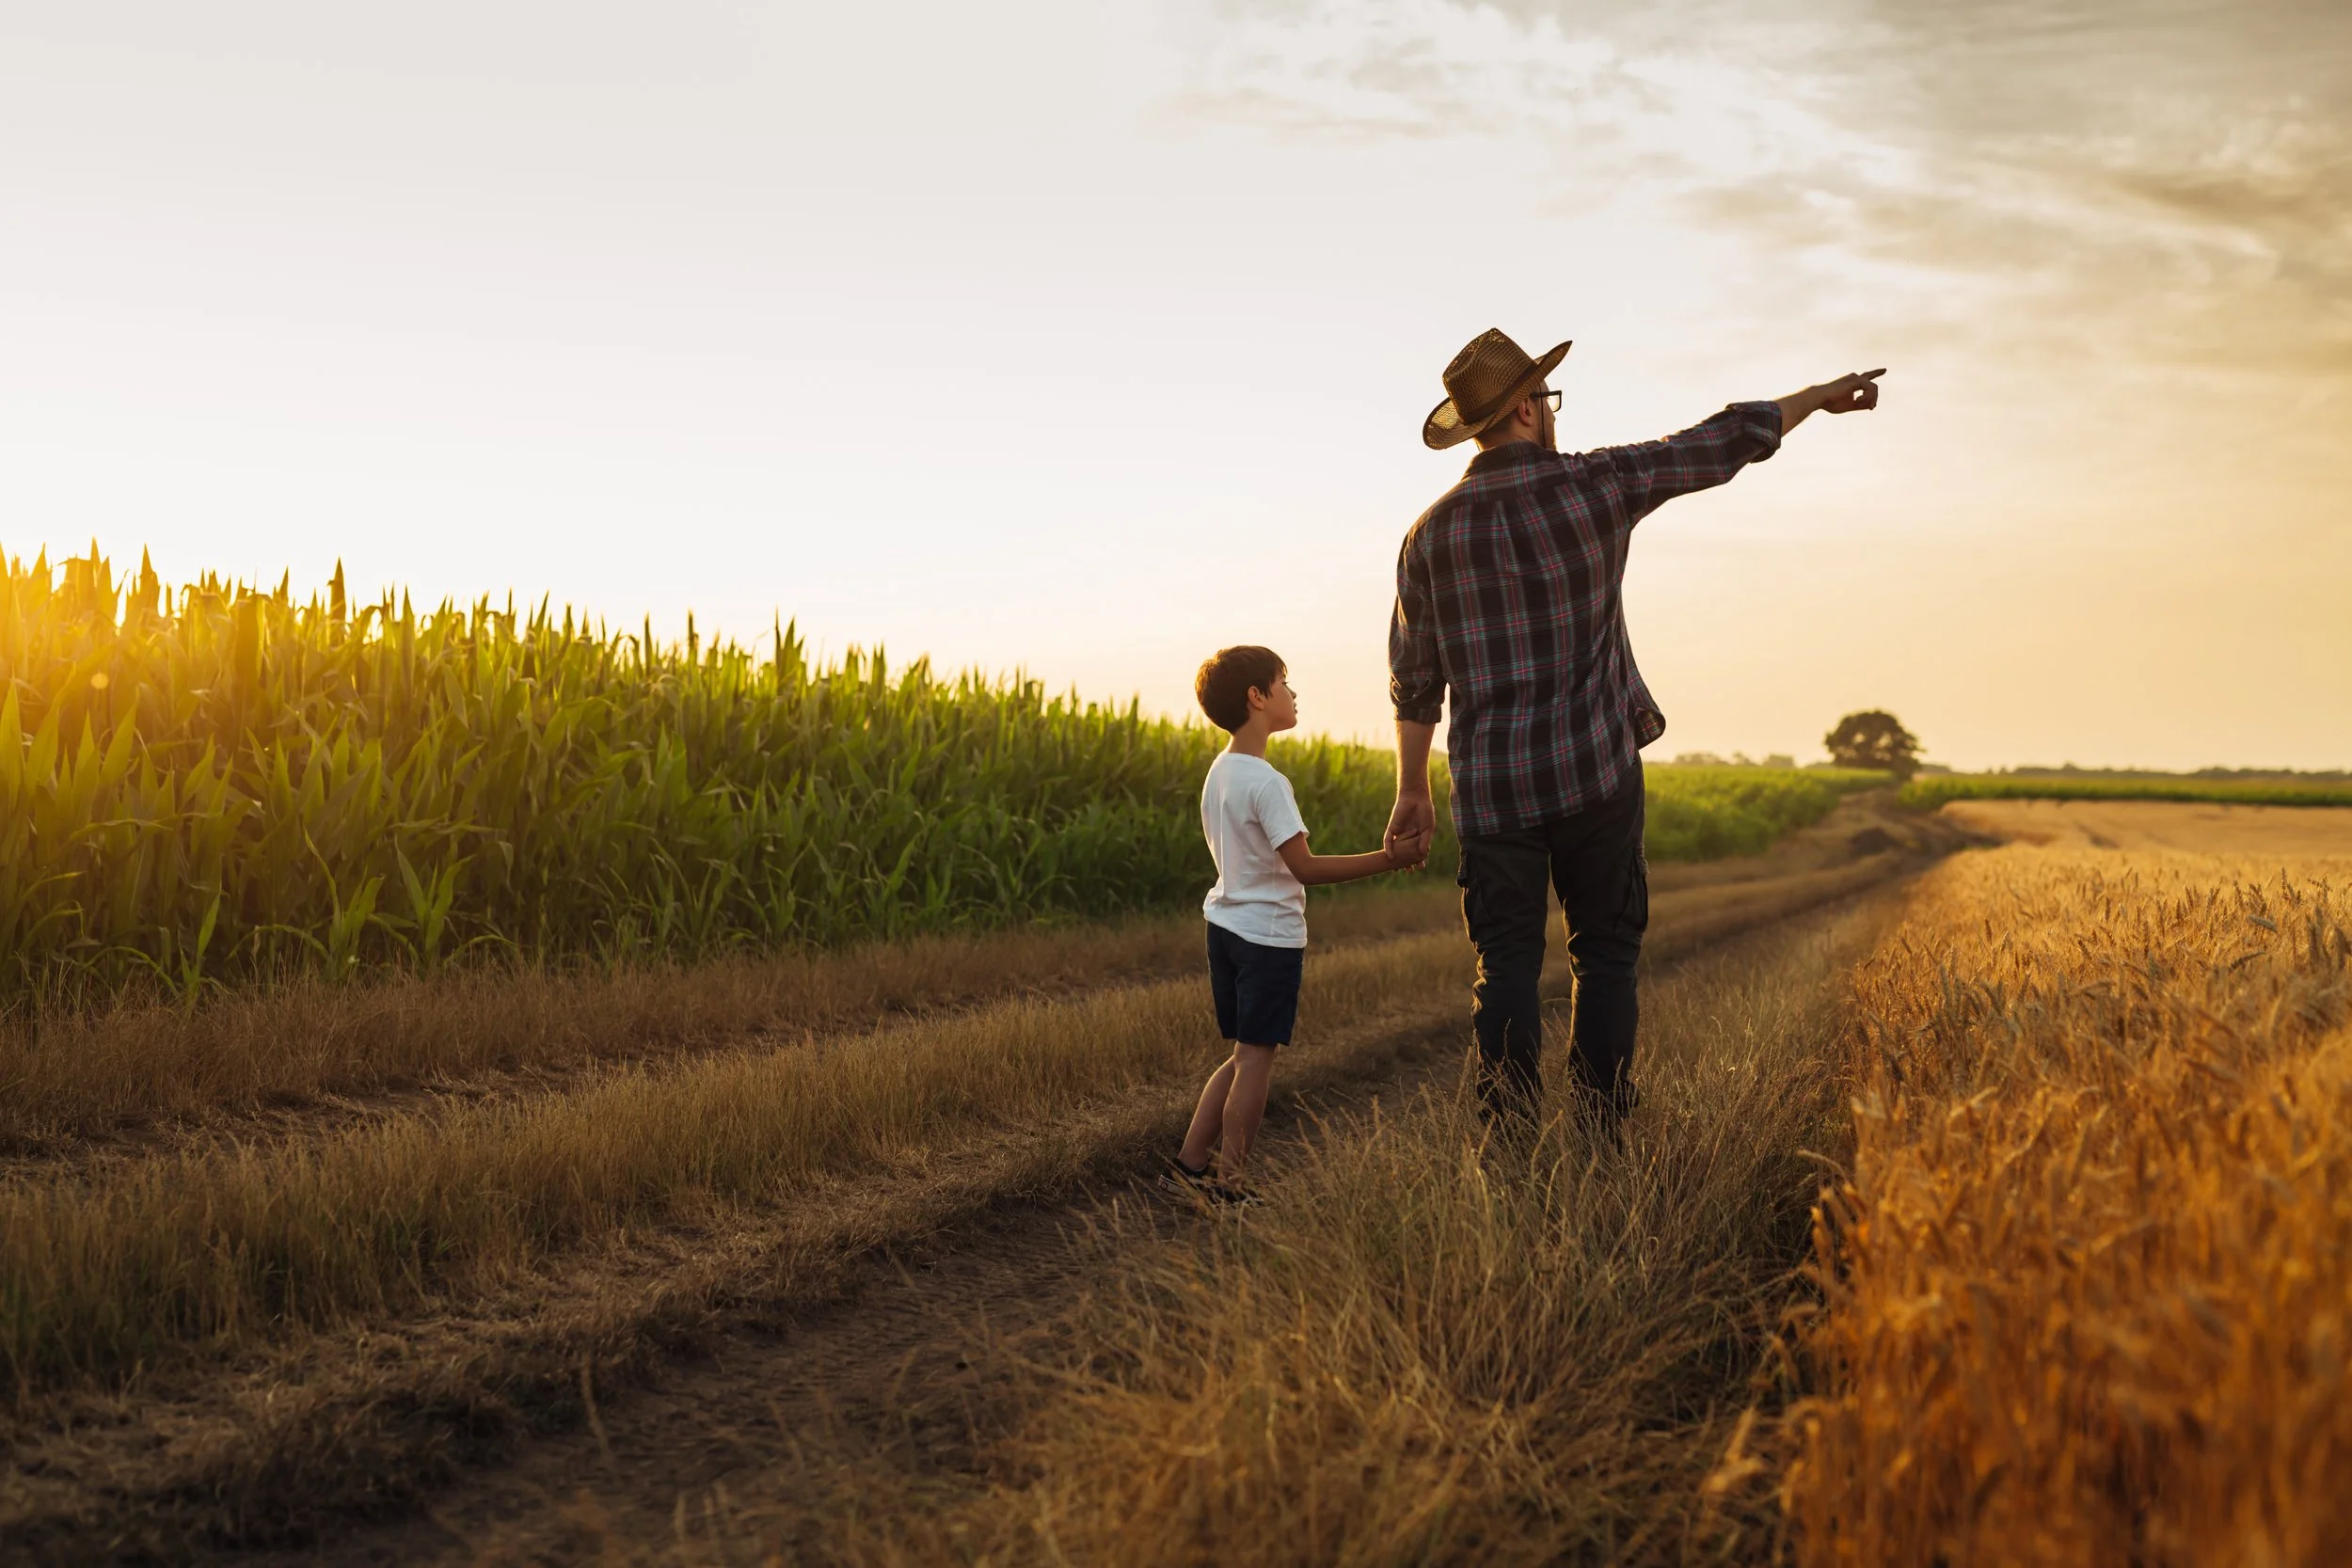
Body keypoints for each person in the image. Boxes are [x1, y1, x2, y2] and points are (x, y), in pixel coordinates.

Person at [1384, 327, 1883, 1133]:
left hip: (1492, 791)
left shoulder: (1428, 535)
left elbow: (1415, 679)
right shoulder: (1596, 485)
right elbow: (1715, 443)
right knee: (1605, 955)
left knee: (1504, 965)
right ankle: (1599, 1128)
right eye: (1545, 399)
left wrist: (1412, 790)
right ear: (1523, 407)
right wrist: (1815, 400)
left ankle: (1508, 1139)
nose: (1552, 412)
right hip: (1595, 774)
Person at [1170, 645, 1431, 1200]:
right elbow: (1305, 868)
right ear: (1257, 698)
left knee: (1243, 1054)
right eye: (1284, 683)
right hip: (1267, 938)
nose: (1293, 695)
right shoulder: (1267, 782)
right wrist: (1390, 859)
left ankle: (1192, 1162)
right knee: (1256, 1062)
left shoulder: (1220, 772)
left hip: (1225, 927)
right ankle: (1231, 1184)